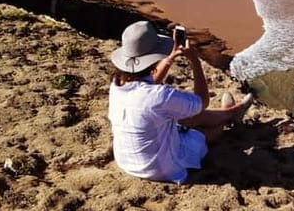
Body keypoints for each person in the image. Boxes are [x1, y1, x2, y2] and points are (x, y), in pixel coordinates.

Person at [108, 21, 252, 184]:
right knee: (202, 134)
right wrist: (195, 62)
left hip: (127, 160)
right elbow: (202, 102)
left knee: (184, 117)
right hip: (158, 167)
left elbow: (149, 83)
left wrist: (171, 57)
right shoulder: (159, 96)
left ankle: (230, 113)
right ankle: (230, 116)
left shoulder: (117, 84)